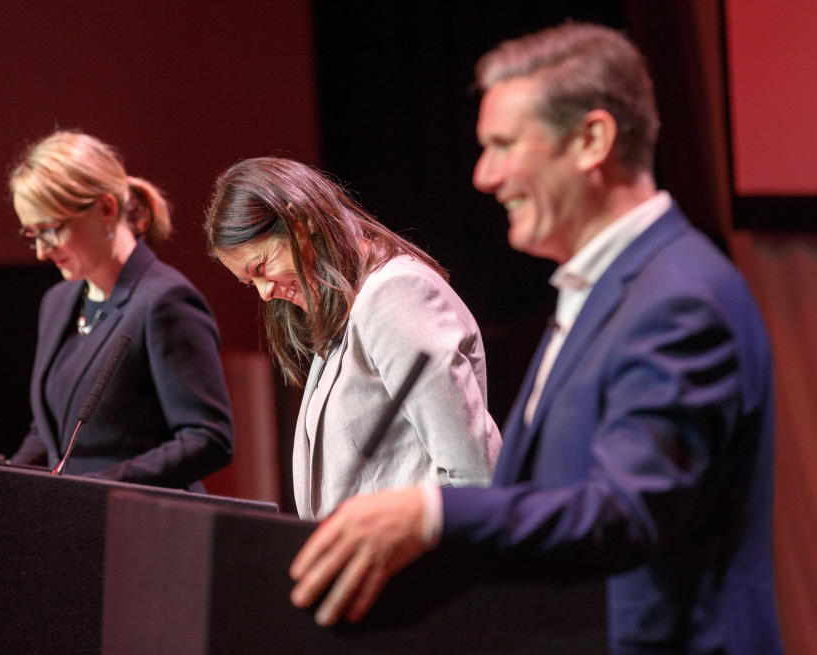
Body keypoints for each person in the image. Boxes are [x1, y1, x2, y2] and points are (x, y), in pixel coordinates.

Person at [289, 23, 783, 654]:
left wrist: (428, 514)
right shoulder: (605, 289)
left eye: (503, 144)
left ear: (591, 140)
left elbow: (625, 512)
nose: (484, 176)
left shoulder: (679, 297)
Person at [205, 157, 500, 519]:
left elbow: (474, 471)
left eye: (262, 266)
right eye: (251, 283)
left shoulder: (395, 293)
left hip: (422, 567)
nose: (264, 293)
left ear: (301, 223)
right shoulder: (347, 315)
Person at [8, 130, 234, 489]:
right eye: (32, 235)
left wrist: (101, 487)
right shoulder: (58, 302)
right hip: (72, 522)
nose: (41, 252)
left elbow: (208, 438)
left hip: (142, 527)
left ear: (105, 209)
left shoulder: (164, 301)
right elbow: (52, 433)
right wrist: (5, 481)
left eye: (50, 230)